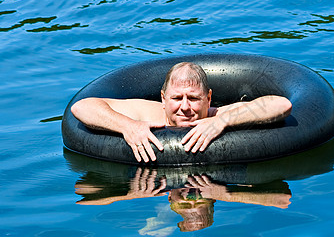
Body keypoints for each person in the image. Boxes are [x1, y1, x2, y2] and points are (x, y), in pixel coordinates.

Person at [71, 62, 292, 163]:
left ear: (208, 98)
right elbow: (81, 107)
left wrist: (223, 121)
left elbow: (281, 105)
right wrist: (127, 126)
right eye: (177, 98)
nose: (185, 107)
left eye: (194, 98)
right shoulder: (147, 112)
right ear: (163, 98)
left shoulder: (217, 114)